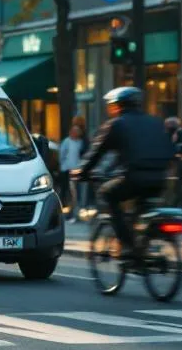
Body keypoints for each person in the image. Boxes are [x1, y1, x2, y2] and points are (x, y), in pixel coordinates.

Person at [73, 87, 175, 258]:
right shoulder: (155, 122)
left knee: (107, 194)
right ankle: (143, 244)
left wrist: (81, 172)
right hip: (160, 178)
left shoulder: (117, 124)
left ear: (117, 106)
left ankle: (127, 245)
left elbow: (97, 152)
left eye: (111, 106)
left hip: (134, 178)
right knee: (140, 209)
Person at [58, 125, 86, 220]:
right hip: (67, 170)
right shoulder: (67, 141)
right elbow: (62, 154)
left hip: (77, 170)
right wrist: (63, 166)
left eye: (78, 132)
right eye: (75, 131)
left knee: (75, 193)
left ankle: (73, 211)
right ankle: (67, 211)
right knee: (67, 192)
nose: (77, 133)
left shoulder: (80, 142)